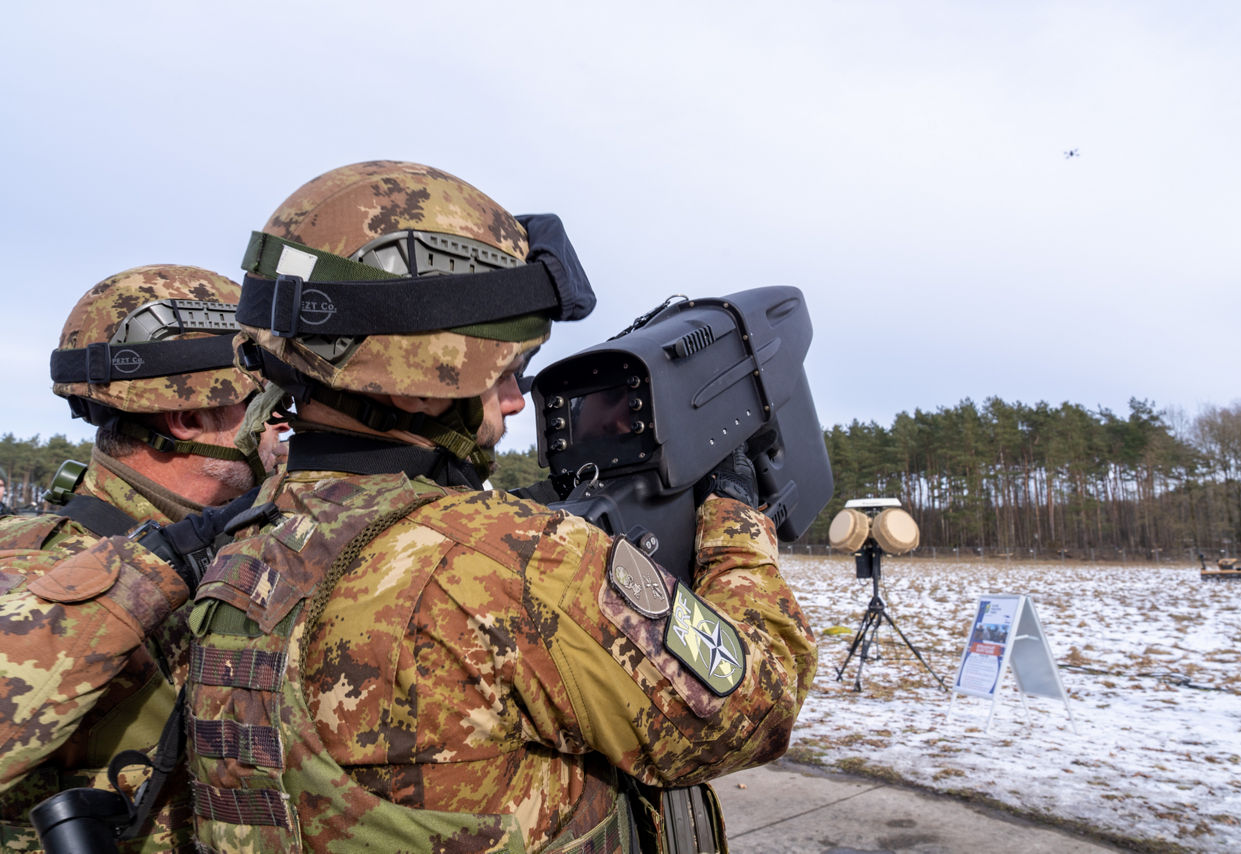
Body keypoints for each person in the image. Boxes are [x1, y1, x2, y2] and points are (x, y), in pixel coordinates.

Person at [184, 161, 817, 854]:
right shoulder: (510, 561)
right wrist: (735, 521)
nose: (517, 398)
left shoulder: (240, 541)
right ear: (419, 379)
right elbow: (754, 708)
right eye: (505, 369)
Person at [0, 265, 288, 852]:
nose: (282, 422)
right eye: (263, 403)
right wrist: (164, 563)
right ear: (188, 418)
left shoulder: (251, 545)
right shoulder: (29, 563)